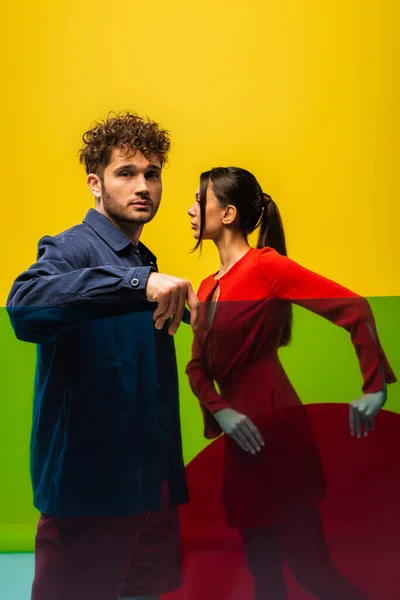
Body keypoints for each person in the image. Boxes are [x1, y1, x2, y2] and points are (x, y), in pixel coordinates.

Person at [6, 111, 199, 600]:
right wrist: (137, 284)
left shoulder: (143, 260)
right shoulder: (71, 248)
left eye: (152, 174)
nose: (143, 186)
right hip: (89, 494)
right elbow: (24, 306)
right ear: (95, 183)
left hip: (149, 485)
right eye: (126, 173)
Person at [185, 167, 396, 600]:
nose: (189, 210)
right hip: (239, 441)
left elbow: (353, 307)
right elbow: (196, 369)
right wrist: (221, 411)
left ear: (226, 214)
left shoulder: (266, 267)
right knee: (262, 572)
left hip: (279, 432)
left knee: (312, 571)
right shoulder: (206, 288)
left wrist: (375, 386)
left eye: (198, 200)